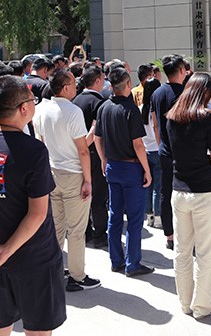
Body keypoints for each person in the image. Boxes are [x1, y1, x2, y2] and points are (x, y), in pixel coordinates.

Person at [0, 75, 67, 335]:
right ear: (24, 108)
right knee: (38, 330)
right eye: (32, 101)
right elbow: (37, 213)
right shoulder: (33, 151)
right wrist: (6, 250)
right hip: (34, 258)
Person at [32, 69, 100, 292]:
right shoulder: (73, 111)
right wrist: (88, 180)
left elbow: (41, 144)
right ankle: (77, 276)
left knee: (56, 227)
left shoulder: (41, 109)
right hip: (72, 174)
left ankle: (54, 270)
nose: (76, 85)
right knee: (76, 230)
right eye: (72, 82)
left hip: (51, 172)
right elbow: (82, 150)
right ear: (65, 87)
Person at [166, 73, 211, 317]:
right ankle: (202, 306)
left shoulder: (172, 116)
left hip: (179, 190)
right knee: (206, 253)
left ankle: (185, 303)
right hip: (204, 191)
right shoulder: (206, 117)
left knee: (182, 251)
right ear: (205, 92)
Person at [94, 67, 155, 277]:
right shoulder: (130, 109)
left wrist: (103, 160)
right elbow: (138, 144)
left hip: (113, 166)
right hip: (130, 168)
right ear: (128, 84)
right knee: (135, 218)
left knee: (115, 216)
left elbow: (97, 138)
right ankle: (133, 263)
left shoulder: (104, 107)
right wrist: (147, 169)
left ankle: (116, 260)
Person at [151, 54, 187, 250]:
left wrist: (160, 144)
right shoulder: (186, 93)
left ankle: (170, 235)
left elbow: (155, 124)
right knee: (185, 193)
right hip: (184, 151)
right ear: (181, 70)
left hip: (164, 149)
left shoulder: (157, 93)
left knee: (166, 191)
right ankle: (184, 234)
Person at [73, 65, 108, 250]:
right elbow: (97, 134)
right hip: (94, 154)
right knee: (99, 197)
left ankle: (85, 232)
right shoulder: (100, 103)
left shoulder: (75, 100)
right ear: (97, 81)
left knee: (82, 195)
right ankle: (100, 235)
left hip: (76, 155)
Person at [141, 78, 163, 229]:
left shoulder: (140, 108)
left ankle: (149, 216)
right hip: (157, 148)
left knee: (147, 184)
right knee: (158, 186)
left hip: (144, 150)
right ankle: (158, 216)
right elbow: (157, 128)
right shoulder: (156, 108)